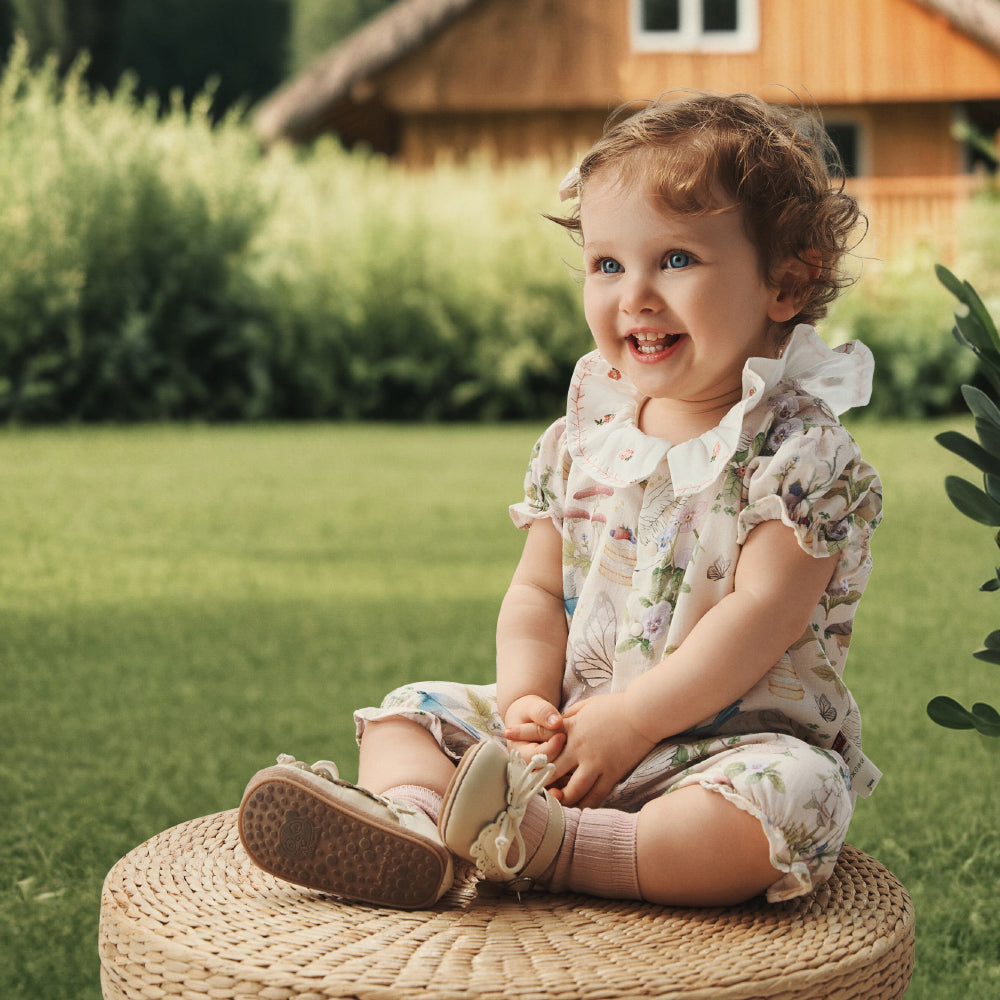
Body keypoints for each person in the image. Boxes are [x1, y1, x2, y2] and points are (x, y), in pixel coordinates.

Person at [238, 91, 883, 911]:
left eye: (676, 260)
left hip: (720, 753)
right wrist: (526, 700)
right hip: (571, 734)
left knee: (793, 802)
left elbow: (758, 618)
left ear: (785, 284)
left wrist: (636, 722)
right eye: (609, 265)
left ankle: (555, 846)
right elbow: (538, 591)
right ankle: (412, 824)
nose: (636, 295)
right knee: (410, 715)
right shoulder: (585, 436)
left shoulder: (800, 457)